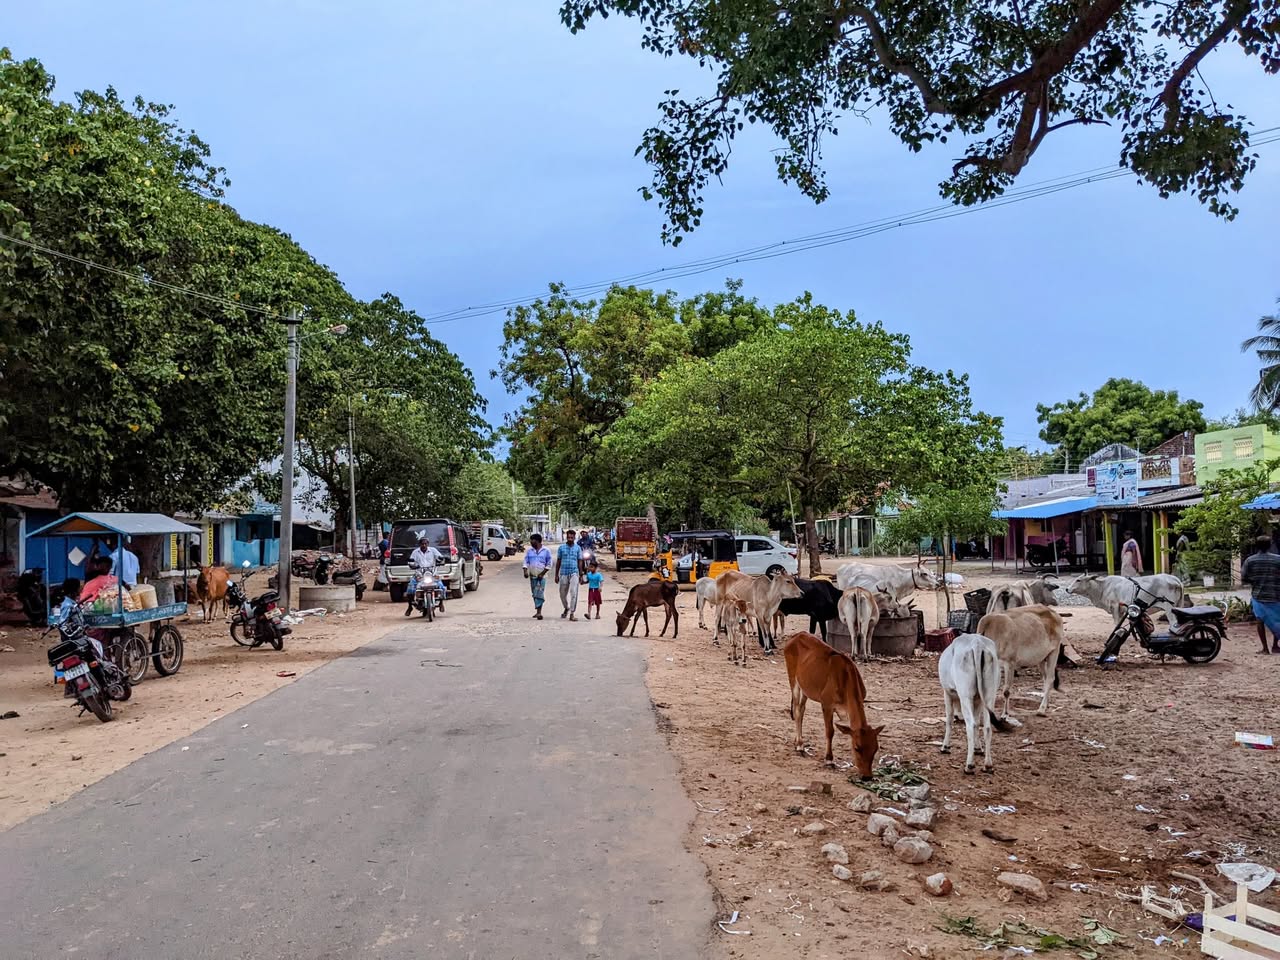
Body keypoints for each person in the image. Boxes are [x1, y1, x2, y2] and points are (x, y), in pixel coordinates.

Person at [1242, 535, 1280, 654]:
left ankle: (1265, 648)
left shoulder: (1250, 560)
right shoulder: (1278, 559)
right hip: (1276, 595)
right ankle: (1275, 646)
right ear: (1270, 545)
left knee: (1260, 621)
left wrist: (1254, 580)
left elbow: (1244, 577)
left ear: (1256, 546)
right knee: (1277, 620)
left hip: (1258, 595)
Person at [405, 535, 443, 616]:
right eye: (422, 544)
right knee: (410, 588)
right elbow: (411, 562)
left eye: (425, 544)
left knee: (441, 586)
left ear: (428, 544)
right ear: (420, 544)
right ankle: (410, 606)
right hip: (419, 574)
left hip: (432, 574)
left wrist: (441, 559)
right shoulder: (415, 552)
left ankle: (441, 603)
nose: (424, 545)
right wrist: (412, 565)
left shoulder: (433, 550)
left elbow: (440, 557)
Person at [554, 529, 585, 621]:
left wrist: (581, 574)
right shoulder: (561, 548)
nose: (570, 539)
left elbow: (580, 561)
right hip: (563, 573)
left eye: (572, 537)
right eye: (568, 537)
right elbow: (558, 561)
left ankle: (572, 613)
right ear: (566, 537)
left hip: (574, 573)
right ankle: (566, 607)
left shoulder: (578, 548)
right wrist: (556, 575)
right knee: (562, 594)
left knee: (574, 592)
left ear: (574, 537)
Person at [523, 533, 552, 619]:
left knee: (539, 593)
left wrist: (542, 573)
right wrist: (525, 571)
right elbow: (526, 561)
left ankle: (539, 612)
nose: (531, 542)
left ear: (537, 541)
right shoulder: (529, 551)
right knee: (534, 593)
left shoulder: (546, 551)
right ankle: (537, 610)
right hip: (532, 575)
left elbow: (549, 563)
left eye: (532, 540)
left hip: (542, 576)